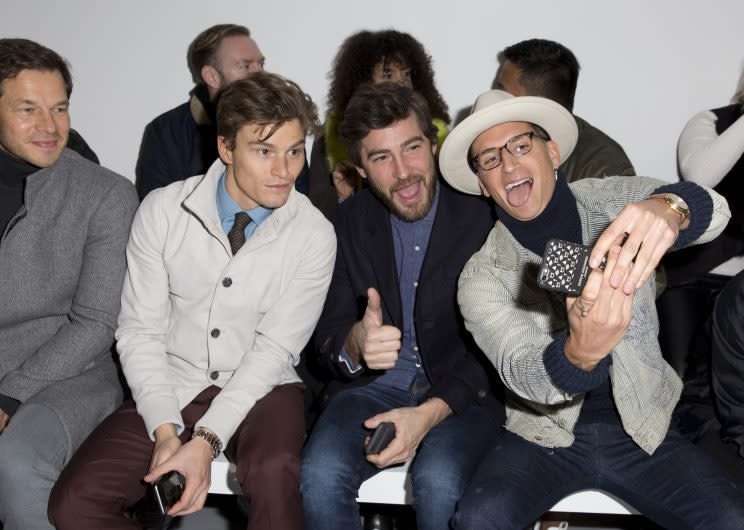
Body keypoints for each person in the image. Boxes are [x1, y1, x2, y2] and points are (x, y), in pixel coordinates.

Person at [436, 88, 744, 529]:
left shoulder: (613, 201)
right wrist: (580, 354)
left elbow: (717, 213)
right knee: (479, 519)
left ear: (553, 152)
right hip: (544, 436)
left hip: (643, 428)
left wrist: (669, 209)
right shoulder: (482, 275)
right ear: (483, 185)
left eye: (521, 146)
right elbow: (521, 370)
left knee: (731, 519)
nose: (508, 165)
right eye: (489, 159)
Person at [49, 71, 336, 530]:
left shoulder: (316, 233)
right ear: (226, 148)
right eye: (265, 151)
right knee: (74, 504)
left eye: (295, 151)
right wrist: (165, 430)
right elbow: (140, 331)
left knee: (274, 474)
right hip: (172, 383)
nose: (285, 171)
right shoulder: (162, 210)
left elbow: (274, 352)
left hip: (264, 388)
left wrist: (203, 442)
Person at [301, 83, 504, 530]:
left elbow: (503, 349)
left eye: (412, 148)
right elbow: (326, 338)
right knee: (319, 475)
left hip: (463, 394)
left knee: (438, 480)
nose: (404, 172)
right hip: (372, 390)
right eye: (381, 158)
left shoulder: (485, 215)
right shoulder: (344, 225)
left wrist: (431, 412)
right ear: (359, 169)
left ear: (433, 146)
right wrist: (355, 344)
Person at [0, 38, 138, 530]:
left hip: (71, 375)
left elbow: (96, 323)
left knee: (14, 464)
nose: (50, 126)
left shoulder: (107, 194)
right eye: (28, 109)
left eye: (60, 108)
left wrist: (8, 396)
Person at [135, 23, 309, 200]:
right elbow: (154, 206)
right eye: (245, 66)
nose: (259, 74)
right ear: (211, 76)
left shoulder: (283, 123)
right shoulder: (166, 132)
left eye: (261, 64)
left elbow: (298, 201)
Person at [309, 29, 450, 215]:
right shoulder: (326, 146)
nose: (401, 83)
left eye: (406, 74)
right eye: (388, 75)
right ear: (362, 82)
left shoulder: (436, 136)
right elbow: (321, 215)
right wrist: (344, 196)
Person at [494, 38, 634, 182]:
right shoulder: (488, 140)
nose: (495, 99)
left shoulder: (604, 167)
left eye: (504, 93)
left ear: (541, 105)